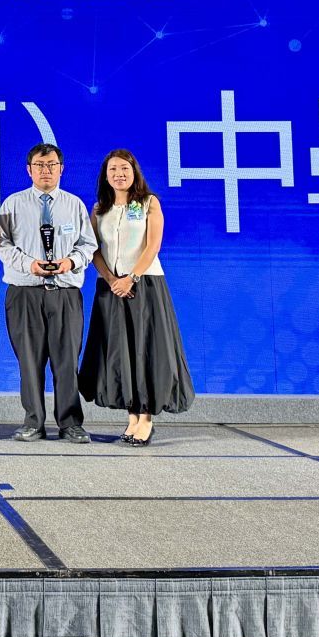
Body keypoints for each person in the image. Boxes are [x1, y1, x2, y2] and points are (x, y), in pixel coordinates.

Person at [79, 149, 195, 446]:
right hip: (110, 288)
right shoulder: (99, 209)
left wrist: (131, 278)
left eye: (125, 169)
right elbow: (93, 249)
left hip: (144, 285)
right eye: (113, 169)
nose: (119, 174)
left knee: (146, 349)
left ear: (134, 172)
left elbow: (153, 245)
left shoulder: (148, 203)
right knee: (121, 351)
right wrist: (111, 280)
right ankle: (132, 416)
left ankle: (146, 418)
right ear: (105, 175)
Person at [0, 143, 98, 443]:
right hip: (25, 292)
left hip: (65, 293)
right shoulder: (13, 204)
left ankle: (70, 423)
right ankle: (33, 422)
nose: (46, 170)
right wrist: (29, 264)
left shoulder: (74, 205)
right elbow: (2, 244)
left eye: (51, 165)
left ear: (61, 169)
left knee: (67, 361)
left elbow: (88, 245)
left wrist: (70, 262)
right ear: (29, 170)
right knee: (29, 361)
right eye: (39, 165)